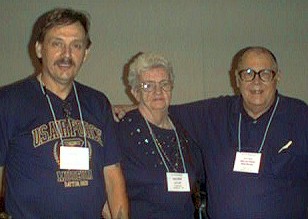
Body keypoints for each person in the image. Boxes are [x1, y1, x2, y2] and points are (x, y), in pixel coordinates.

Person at [0, 8, 128, 218]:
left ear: (85, 53)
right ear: (40, 49)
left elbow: (113, 179)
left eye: (76, 45)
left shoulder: (98, 103)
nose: (66, 54)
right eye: (57, 44)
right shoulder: (9, 101)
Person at [170, 46, 308, 218]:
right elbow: (161, 112)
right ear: (237, 79)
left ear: (277, 77)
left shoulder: (300, 116)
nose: (256, 82)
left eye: (265, 73)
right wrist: (128, 110)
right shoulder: (215, 113)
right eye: (248, 73)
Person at [116, 53, 205, 218]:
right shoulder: (123, 132)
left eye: (164, 84)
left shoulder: (183, 129)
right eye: (148, 86)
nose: (158, 91)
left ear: (171, 88)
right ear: (136, 92)